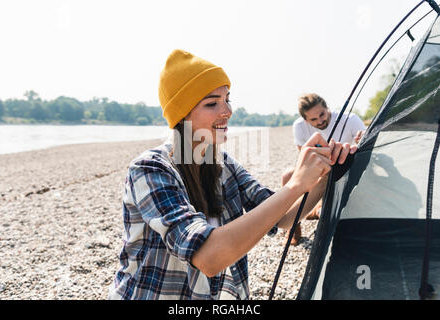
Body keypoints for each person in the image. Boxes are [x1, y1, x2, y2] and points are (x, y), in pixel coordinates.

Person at [108, 50, 356, 300]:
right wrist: (295, 184)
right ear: (182, 114)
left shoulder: (224, 164)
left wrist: (323, 173)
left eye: (228, 99)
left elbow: (283, 218)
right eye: (212, 103)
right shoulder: (150, 169)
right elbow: (208, 257)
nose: (227, 110)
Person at [282, 93, 366, 245]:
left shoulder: (350, 119)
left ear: (327, 108)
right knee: (288, 175)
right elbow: (304, 159)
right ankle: (294, 228)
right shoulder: (299, 127)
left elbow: (367, 148)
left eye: (322, 114)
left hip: (347, 169)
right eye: (313, 119)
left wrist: (362, 139)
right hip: (320, 169)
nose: (320, 121)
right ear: (305, 120)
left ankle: (318, 209)